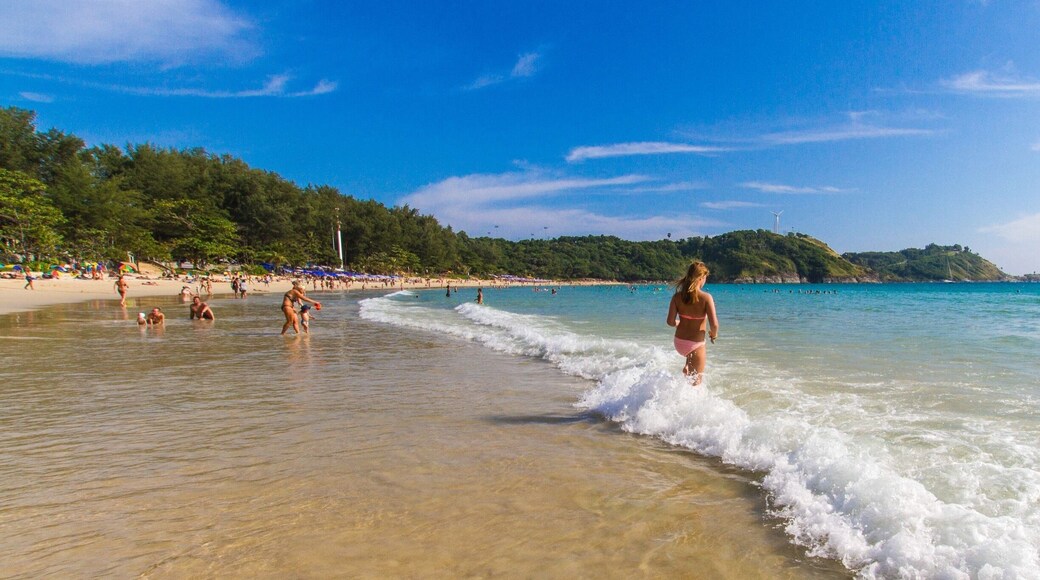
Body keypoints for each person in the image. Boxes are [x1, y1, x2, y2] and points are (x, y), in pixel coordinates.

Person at [666, 261, 719, 386]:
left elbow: (670, 322)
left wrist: (680, 323)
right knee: (696, 383)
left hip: (679, 342)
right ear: (701, 278)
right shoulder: (706, 297)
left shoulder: (677, 297)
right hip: (695, 345)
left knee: (690, 371)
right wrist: (714, 334)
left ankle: (687, 366)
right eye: (705, 278)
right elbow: (714, 325)